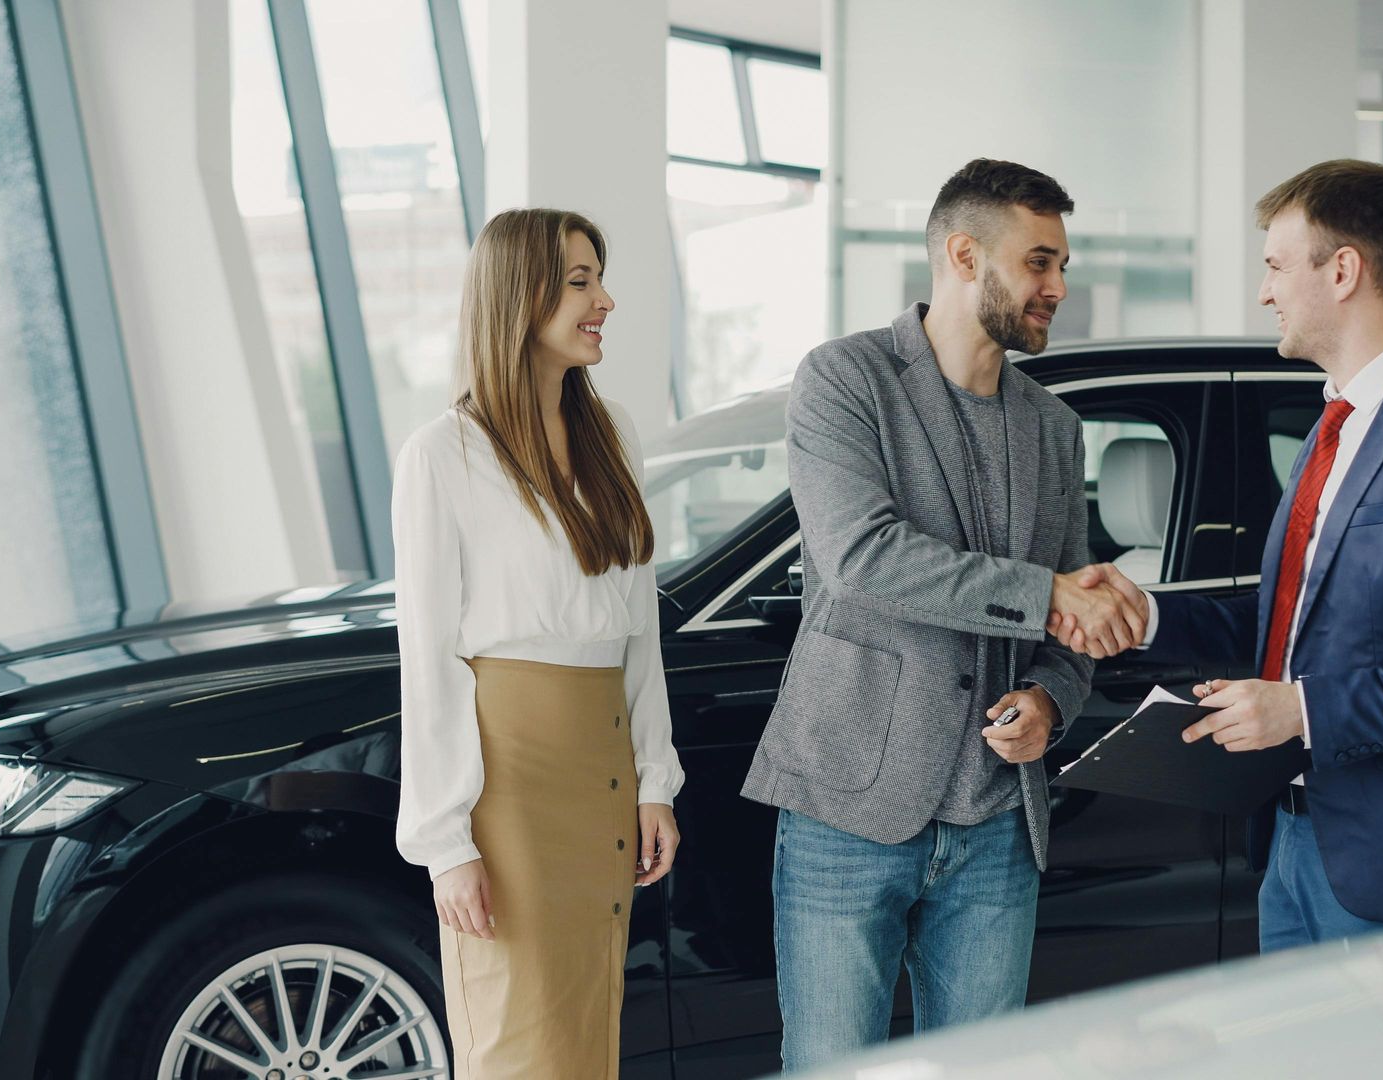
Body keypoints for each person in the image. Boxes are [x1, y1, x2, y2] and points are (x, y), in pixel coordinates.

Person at [1059, 160, 1383, 950]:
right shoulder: (1330, 431)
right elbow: (1284, 628)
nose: (1265, 292)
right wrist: (1146, 616)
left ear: (1344, 270)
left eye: (1277, 267)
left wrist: (1303, 710)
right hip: (1294, 844)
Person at [741, 158, 1140, 1070]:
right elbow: (862, 557)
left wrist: (1050, 698)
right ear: (965, 255)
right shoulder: (846, 380)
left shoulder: (1053, 426)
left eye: (1061, 266)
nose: (1059, 288)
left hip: (999, 821)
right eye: (1040, 263)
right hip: (849, 803)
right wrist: (1046, 596)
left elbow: (1070, 621)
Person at [391, 207, 685, 1077]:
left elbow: (640, 631)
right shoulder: (442, 455)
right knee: (518, 1039)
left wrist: (655, 781)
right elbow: (430, 659)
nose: (606, 301)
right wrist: (448, 847)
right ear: (519, 296)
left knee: (588, 1032)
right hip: (509, 792)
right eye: (581, 281)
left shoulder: (613, 435)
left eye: (600, 277)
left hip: (602, 779)